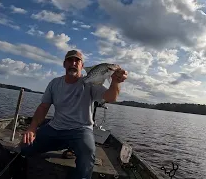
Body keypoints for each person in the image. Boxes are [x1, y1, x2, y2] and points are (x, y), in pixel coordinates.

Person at [20, 50, 128, 179]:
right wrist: (32, 128)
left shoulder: (91, 84)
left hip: (81, 130)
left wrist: (115, 82)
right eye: (70, 60)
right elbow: (43, 107)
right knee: (25, 147)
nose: (74, 63)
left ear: (82, 66)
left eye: (77, 61)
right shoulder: (54, 83)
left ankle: (74, 149)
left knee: (87, 154)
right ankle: (68, 146)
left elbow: (111, 97)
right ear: (64, 64)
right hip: (55, 127)